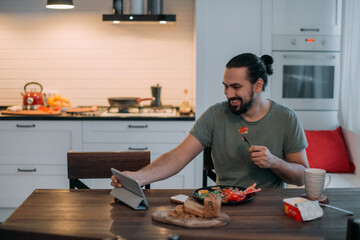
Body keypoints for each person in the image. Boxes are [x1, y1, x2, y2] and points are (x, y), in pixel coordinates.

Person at [111, 53, 309, 189]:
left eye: (236, 87)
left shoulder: (286, 118)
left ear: (258, 85)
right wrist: (138, 177)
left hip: (270, 209)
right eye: (225, 86)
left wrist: (274, 162)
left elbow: (301, 177)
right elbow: (177, 157)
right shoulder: (215, 115)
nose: (228, 94)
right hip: (224, 205)